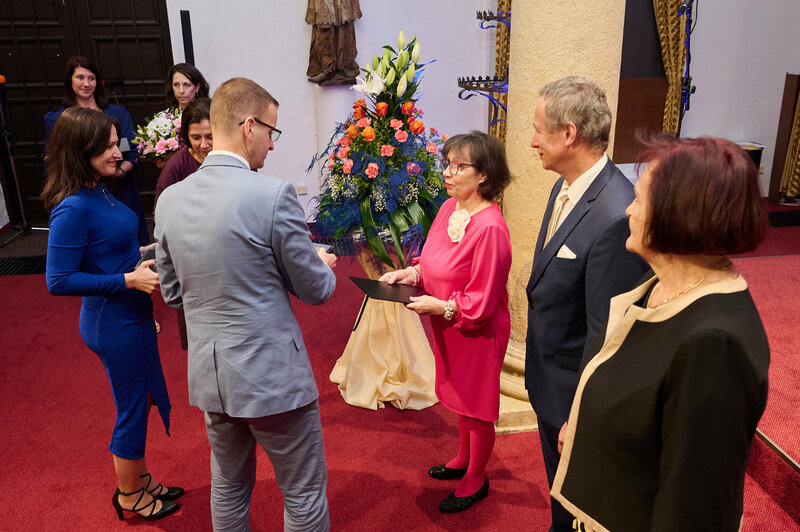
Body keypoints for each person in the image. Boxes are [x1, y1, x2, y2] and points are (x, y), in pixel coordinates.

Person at [551, 135, 770, 531]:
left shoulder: (715, 345)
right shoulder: (660, 284)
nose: (628, 210)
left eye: (638, 199)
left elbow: (695, 510)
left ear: (678, 214)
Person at [154, 77, 337, 531]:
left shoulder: (170, 199)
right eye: (272, 132)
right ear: (249, 126)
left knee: (229, 489)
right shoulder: (272, 195)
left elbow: (173, 294)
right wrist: (321, 263)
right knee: (303, 495)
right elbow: (316, 290)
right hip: (272, 378)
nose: (272, 145)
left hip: (212, 379)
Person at [43, 107, 182, 521]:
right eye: (105, 146)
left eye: (114, 143)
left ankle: (141, 479)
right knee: (132, 405)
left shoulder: (99, 189)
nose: (117, 152)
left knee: (144, 396)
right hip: (112, 320)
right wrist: (127, 280)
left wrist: (142, 253)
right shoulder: (72, 208)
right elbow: (58, 280)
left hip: (130, 314)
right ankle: (129, 495)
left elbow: (106, 247)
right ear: (80, 150)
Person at [524, 76, 648, 532]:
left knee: (575, 509)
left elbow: (608, 334)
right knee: (559, 496)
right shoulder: (567, 185)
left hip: (572, 397)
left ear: (569, 134)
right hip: (550, 381)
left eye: (539, 130)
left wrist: (581, 415)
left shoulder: (615, 213)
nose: (533, 141)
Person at [380, 131, 513, 513]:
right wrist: (410, 274)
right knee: (459, 397)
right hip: (450, 326)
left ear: (483, 175)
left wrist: (441, 307)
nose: (448, 173)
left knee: (477, 408)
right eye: (447, 164)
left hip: (476, 330)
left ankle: (476, 478)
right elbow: (433, 262)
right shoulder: (449, 208)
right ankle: (463, 458)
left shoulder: (490, 228)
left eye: (458, 166)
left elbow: (481, 302)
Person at [44, 55, 149, 245]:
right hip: (80, 190)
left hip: (119, 186)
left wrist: (119, 169)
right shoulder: (59, 119)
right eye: (80, 77)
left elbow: (130, 146)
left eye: (91, 78)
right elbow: (54, 158)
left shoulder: (116, 113)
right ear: (69, 80)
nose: (86, 83)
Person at [153, 97, 212, 209]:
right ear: (187, 135)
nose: (204, 145)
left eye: (210, 137)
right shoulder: (176, 165)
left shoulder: (233, 157)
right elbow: (160, 209)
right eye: (196, 138)